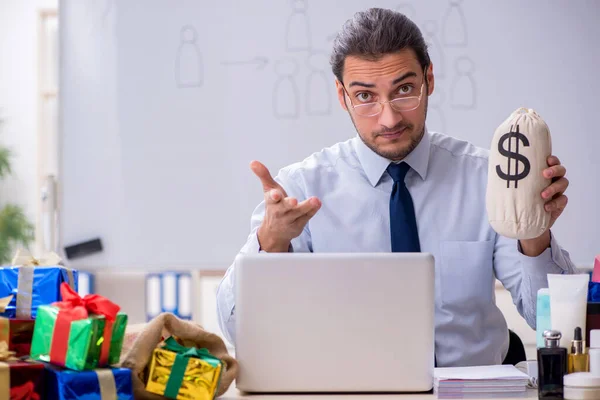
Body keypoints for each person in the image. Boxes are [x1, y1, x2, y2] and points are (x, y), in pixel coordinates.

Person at [216, 8, 578, 367]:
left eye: (404, 90)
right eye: (365, 97)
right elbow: (238, 333)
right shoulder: (302, 187)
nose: (389, 118)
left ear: (429, 80)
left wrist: (534, 231)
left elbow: (551, 324)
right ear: (343, 97)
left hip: (470, 389)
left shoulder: (489, 177)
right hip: (350, 392)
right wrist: (271, 244)